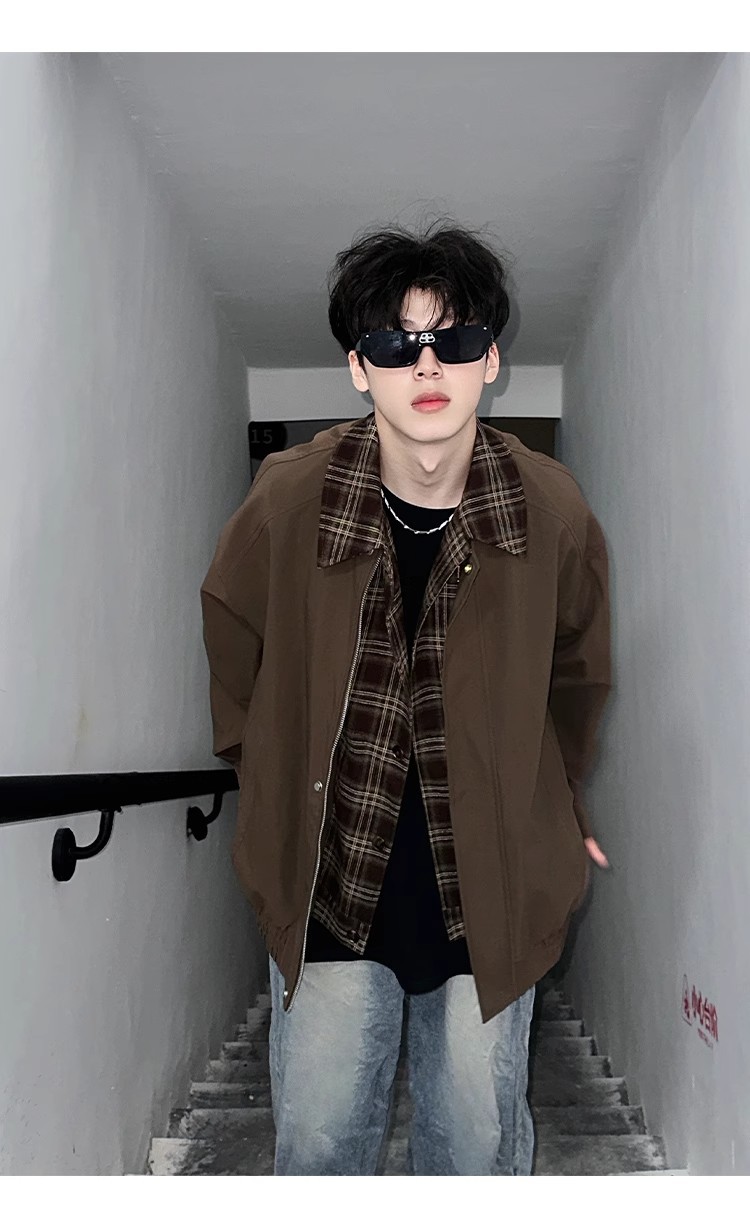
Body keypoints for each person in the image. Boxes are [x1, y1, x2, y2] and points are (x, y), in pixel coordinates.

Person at [199, 217, 612, 1176]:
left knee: (475, 1154)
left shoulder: (550, 511)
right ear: (359, 367)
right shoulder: (289, 500)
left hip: (493, 891)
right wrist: (267, 776)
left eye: (453, 338)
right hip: (332, 880)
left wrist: (557, 796)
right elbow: (232, 635)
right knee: (319, 1150)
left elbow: (578, 672)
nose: (427, 363)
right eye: (395, 342)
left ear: (490, 359)